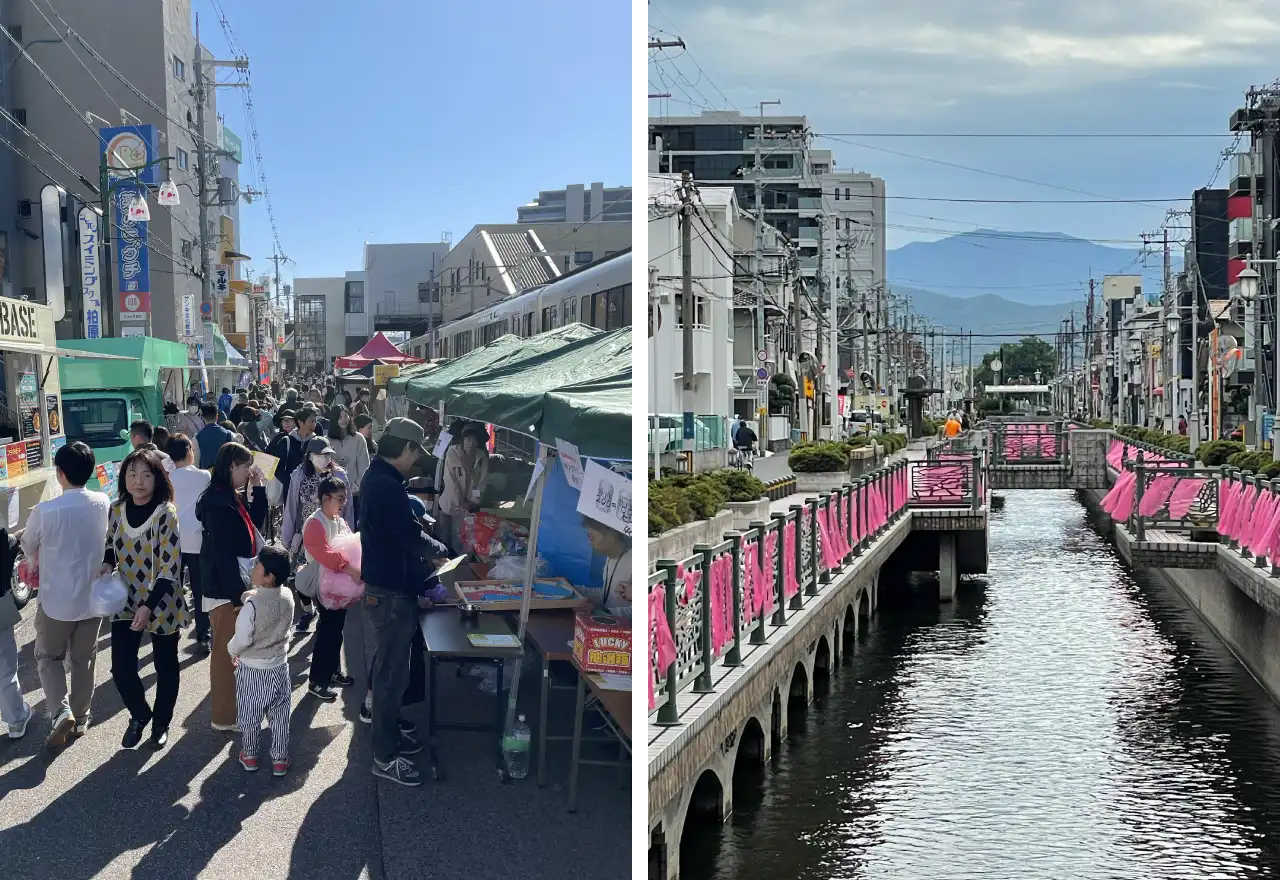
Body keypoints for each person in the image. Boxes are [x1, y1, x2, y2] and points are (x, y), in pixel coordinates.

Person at [361, 417, 452, 786]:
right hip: (390, 593)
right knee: (390, 676)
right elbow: (410, 536)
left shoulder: (381, 478)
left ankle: (391, 736)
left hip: (389, 589)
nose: (416, 460)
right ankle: (384, 757)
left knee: (393, 674)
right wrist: (441, 551)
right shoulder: (385, 484)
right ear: (405, 448)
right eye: (416, 452)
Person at [20, 441, 111, 746]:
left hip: (55, 600)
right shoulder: (102, 502)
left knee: (48, 656)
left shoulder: (46, 511)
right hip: (92, 600)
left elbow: (28, 545)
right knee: (84, 659)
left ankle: (60, 711)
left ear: (59, 473)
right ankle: (81, 716)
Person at [103, 447, 185, 749]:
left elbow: (169, 567)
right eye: (132, 474)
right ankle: (140, 714)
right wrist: (107, 564)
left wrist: (149, 606)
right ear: (124, 477)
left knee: (166, 665)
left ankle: (161, 722)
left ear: (157, 478)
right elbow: (110, 544)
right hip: (125, 599)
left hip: (161, 599)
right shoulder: (116, 509)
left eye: (146, 475)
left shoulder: (166, 513)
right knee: (121, 668)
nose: (138, 481)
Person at [198, 442, 267, 732]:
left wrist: (258, 489)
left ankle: (233, 712)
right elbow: (223, 555)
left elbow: (256, 525)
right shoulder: (218, 502)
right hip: (226, 589)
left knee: (235, 652)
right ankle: (225, 717)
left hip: (232, 586)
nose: (248, 471)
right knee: (226, 655)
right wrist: (238, 596)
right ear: (231, 467)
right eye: (245, 466)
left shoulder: (228, 496)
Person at [228, 544, 295, 776]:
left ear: (268, 576)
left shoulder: (251, 607)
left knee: (249, 714)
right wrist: (252, 595)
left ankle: (250, 755)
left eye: (257, 564)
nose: (253, 566)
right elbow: (270, 600)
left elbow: (242, 638)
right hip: (279, 666)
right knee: (280, 715)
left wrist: (231, 651)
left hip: (252, 669)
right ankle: (280, 758)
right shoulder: (287, 596)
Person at [283, 436, 353, 633]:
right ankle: (308, 610)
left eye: (328, 455)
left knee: (328, 579)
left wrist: (349, 538)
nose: (325, 459)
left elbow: (348, 509)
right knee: (301, 580)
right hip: (305, 536)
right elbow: (291, 507)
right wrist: (287, 537)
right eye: (320, 455)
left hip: (332, 536)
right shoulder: (299, 475)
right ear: (310, 456)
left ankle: (325, 616)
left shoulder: (339, 475)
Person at [301, 475, 360, 701]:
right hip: (323, 586)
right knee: (327, 632)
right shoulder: (315, 523)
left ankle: (333, 671)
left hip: (339, 585)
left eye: (345, 498)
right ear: (326, 498)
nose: (344, 503)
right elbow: (324, 554)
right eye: (340, 499)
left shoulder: (337, 519)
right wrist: (352, 570)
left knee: (336, 629)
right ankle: (317, 681)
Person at [168, 433, 213, 651]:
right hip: (197, 539)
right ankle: (203, 634)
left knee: (173, 586)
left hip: (172, 541)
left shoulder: (166, 477)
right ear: (188, 450)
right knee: (199, 588)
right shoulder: (204, 476)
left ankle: (172, 629)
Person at [437, 424, 489, 552]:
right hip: (450, 502)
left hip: (468, 506)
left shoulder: (481, 457)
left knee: (461, 541)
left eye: (475, 440)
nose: (471, 443)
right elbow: (451, 481)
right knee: (444, 539)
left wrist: (472, 502)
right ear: (463, 439)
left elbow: (481, 483)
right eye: (468, 438)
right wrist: (462, 503)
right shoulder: (452, 452)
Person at [328, 404, 370, 522]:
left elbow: (364, 465)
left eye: (345, 416)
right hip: (334, 493)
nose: (344, 420)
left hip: (355, 492)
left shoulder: (358, 439)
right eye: (340, 417)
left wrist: (356, 486)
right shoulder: (328, 440)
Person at [583, 517, 633, 615]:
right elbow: (607, 595)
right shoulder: (610, 558)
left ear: (611, 535)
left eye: (592, 537)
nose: (589, 543)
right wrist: (573, 590)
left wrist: (600, 612)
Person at [196, 403, 236, 468]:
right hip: (224, 473)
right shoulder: (229, 434)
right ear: (217, 417)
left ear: (202, 418)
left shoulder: (197, 438)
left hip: (206, 473)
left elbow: (196, 464)